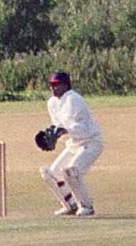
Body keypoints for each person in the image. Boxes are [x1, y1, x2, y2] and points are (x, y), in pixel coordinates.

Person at [39, 72, 104, 216]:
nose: (53, 88)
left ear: (66, 85)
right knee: (51, 174)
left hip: (91, 141)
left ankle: (86, 206)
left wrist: (63, 130)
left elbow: (80, 127)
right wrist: (53, 136)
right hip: (74, 143)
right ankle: (70, 205)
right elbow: (59, 124)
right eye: (51, 85)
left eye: (57, 85)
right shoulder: (52, 102)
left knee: (71, 171)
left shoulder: (74, 99)